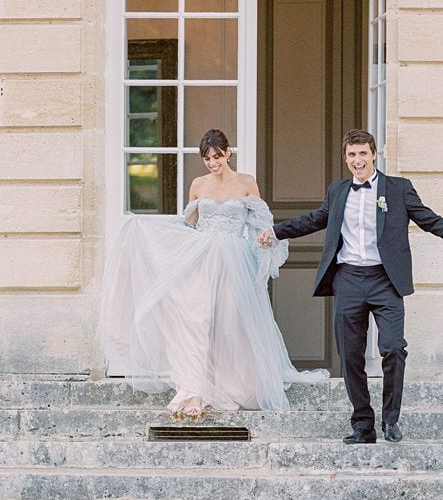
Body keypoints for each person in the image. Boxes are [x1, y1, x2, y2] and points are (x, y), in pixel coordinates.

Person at [258, 129, 443, 444]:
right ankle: (363, 425)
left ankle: (391, 421)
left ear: (373, 154)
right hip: (348, 279)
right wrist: (276, 231)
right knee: (350, 355)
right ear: (345, 158)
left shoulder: (398, 189)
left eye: (363, 153)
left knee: (393, 347)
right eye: (351, 155)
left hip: (385, 280)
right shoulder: (337, 191)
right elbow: (313, 219)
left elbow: (427, 219)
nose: (357, 160)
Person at [99, 129, 329, 416]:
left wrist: (265, 240)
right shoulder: (198, 184)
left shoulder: (246, 182)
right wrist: (149, 230)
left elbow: (260, 222)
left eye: (217, 156)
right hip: (203, 258)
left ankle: (231, 387)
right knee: (197, 321)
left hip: (235, 258)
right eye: (207, 158)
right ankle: (196, 391)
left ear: (228, 153)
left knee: (231, 323)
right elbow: (188, 223)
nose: (212, 162)